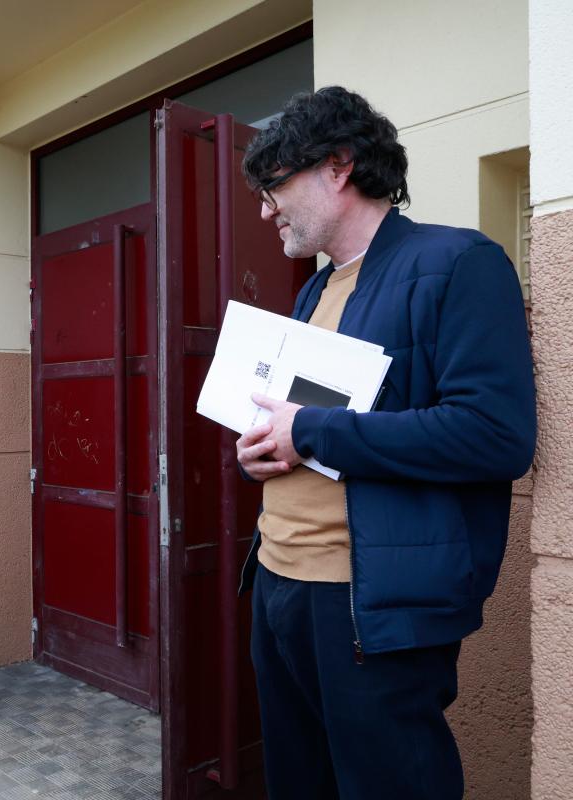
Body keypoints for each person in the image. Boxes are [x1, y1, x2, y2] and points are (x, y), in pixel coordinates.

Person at [234, 87, 536, 800]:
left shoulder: (459, 261)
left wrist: (309, 429)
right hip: (277, 580)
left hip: (370, 603)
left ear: (338, 166)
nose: (266, 210)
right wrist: (266, 451)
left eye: (274, 186)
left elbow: (494, 434)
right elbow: (316, 430)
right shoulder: (314, 291)